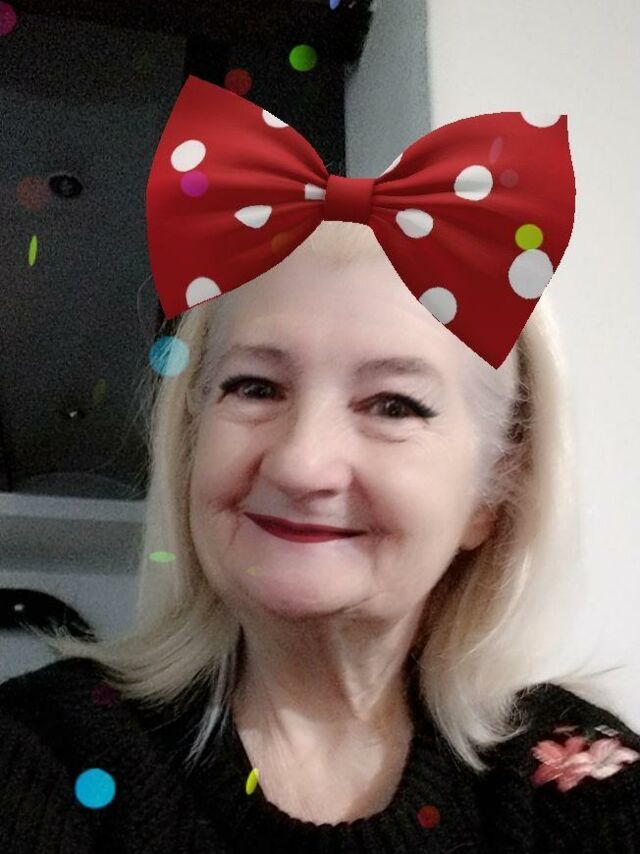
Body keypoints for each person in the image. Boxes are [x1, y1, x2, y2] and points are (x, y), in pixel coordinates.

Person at [1, 219, 639, 854]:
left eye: (393, 405)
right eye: (255, 388)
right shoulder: (39, 749)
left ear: (493, 491)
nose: (299, 465)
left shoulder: (581, 785)